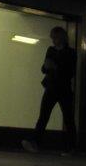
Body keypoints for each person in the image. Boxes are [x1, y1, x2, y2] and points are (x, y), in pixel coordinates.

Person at [22, 26, 78, 155]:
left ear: (61, 37)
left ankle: (71, 147)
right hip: (52, 87)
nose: (53, 40)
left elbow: (70, 72)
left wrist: (55, 67)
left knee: (68, 118)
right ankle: (35, 142)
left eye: (55, 37)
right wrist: (48, 67)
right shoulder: (51, 50)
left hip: (63, 88)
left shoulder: (71, 53)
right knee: (44, 116)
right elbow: (44, 69)